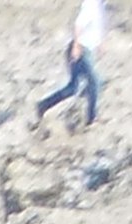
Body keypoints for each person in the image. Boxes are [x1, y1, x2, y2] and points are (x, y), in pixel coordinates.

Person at [35, 0, 102, 129]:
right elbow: (78, 25)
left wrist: (99, 44)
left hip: (84, 49)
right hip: (80, 50)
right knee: (95, 81)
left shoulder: (98, 7)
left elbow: (94, 28)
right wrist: (76, 46)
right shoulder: (91, 4)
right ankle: (91, 118)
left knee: (73, 87)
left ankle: (43, 105)